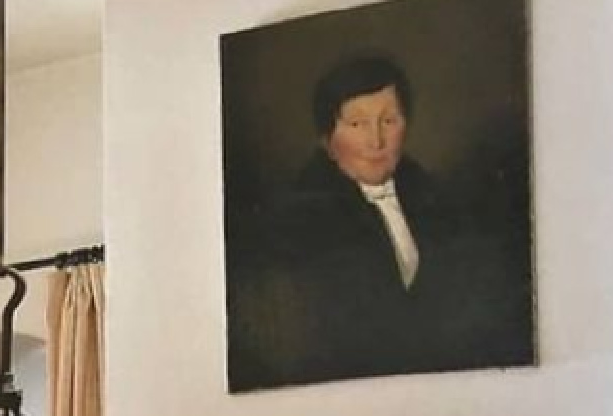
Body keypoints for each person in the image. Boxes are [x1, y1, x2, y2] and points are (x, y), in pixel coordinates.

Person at [225, 53, 534, 390]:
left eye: (388, 120)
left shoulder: (438, 201)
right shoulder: (298, 221)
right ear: (327, 140)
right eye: (356, 124)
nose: (375, 141)